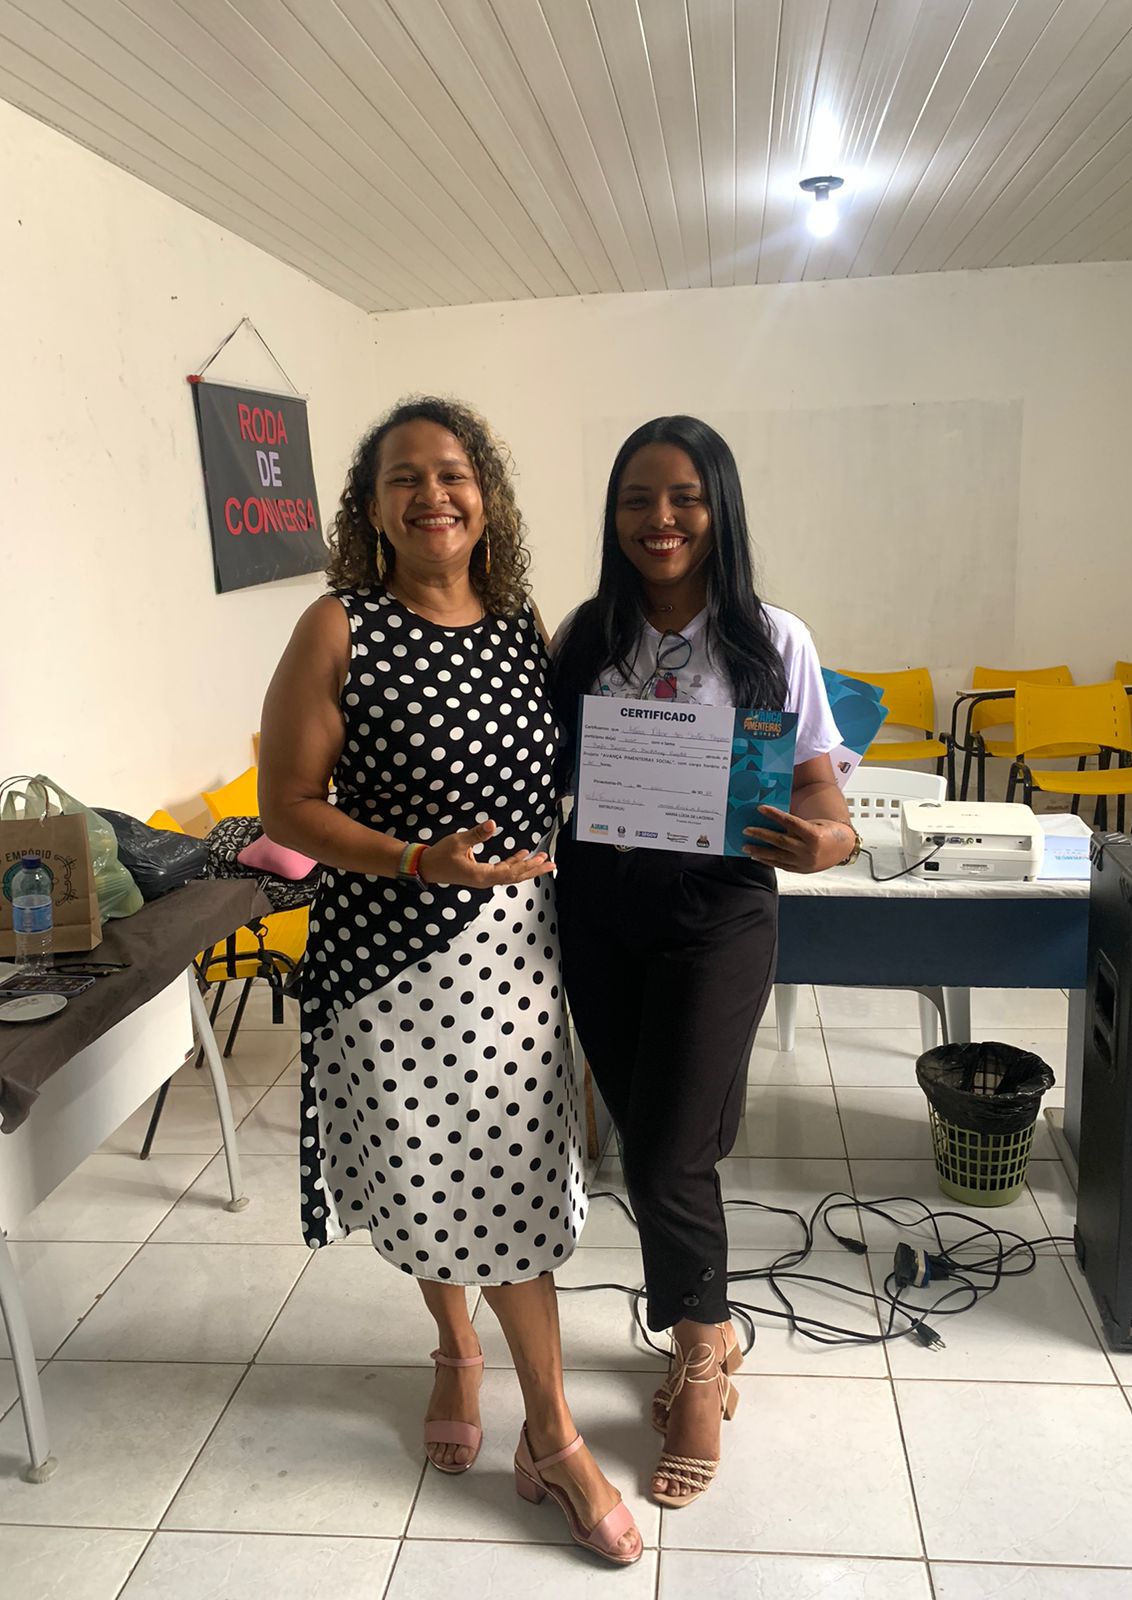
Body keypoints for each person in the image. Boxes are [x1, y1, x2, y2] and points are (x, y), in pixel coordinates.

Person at [259, 396, 641, 1565]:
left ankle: (549, 1427)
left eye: (454, 473)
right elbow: (289, 807)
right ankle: (462, 1352)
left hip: (516, 953)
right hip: (392, 957)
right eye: (405, 478)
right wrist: (418, 859)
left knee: (514, 1181)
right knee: (427, 1169)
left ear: (487, 497)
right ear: (370, 510)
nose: (434, 494)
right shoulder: (338, 626)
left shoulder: (523, 625)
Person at [551, 415, 856, 1511]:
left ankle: (697, 1348)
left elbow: (820, 792)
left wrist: (830, 840)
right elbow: (545, 775)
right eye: (637, 498)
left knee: (671, 1150)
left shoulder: (773, 639)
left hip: (720, 905)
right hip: (599, 902)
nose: (661, 519)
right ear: (613, 515)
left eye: (684, 497)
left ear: (719, 507)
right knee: (654, 1138)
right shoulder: (585, 635)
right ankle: (708, 1328)